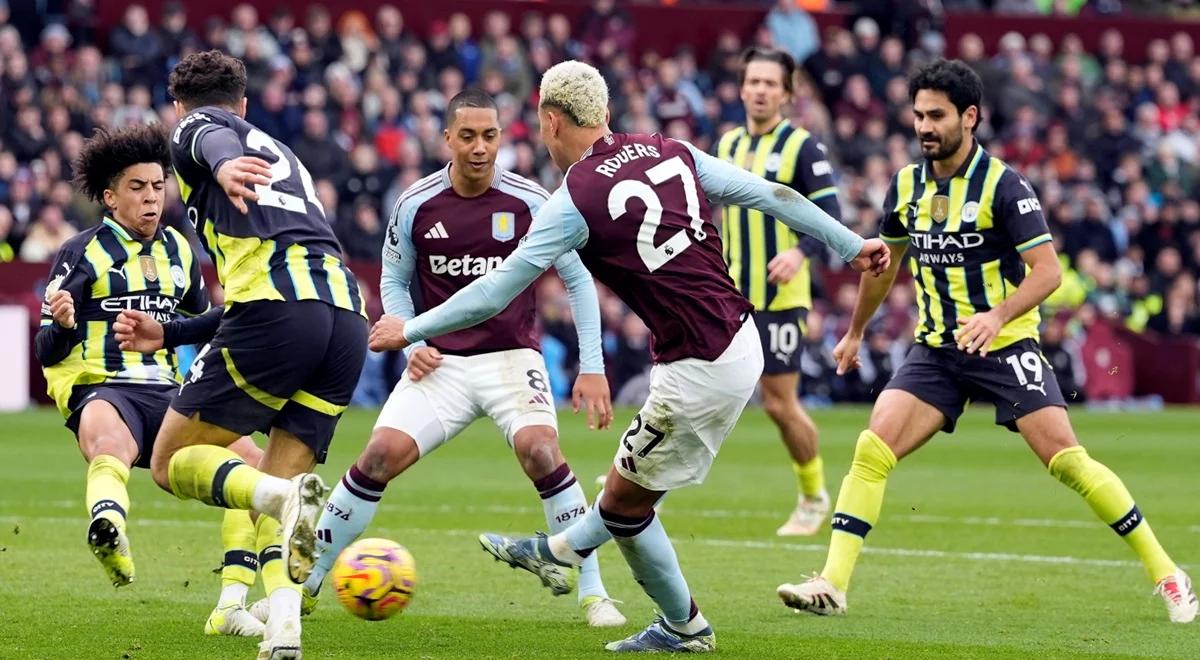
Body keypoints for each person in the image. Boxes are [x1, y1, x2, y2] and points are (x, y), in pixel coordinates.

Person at [370, 60, 889, 653]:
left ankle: (567, 558)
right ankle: (666, 615)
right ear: (607, 114)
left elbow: (493, 291)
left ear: (551, 120)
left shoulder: (573, 202)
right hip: (739, 333)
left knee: (621, 501)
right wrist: (851, 244)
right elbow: (773, 194)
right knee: (627, 498)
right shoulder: (670, 149)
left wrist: (411, 327)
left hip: (700, 364)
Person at [776, 59, 1198, 624]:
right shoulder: (905, 186)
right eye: (918, 115)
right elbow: (883, 266)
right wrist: (855, 331)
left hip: (1005, 346)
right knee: (871, 448)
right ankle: (832, 583)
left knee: (1067, 462)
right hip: (937, 351)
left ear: (969, 117)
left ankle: (1167, 572)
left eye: (937, 116)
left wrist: (997, 316)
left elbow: (1047, 271)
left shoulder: (1005, 185)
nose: (924, 126)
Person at [298, 89, 627, 628]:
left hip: (511, 359)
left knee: (542, 451)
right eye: (468, 136)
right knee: (378, 456)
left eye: (490, 135)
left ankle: (593, 593)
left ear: (503, 137)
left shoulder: (531, 202)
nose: (480, 147)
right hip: (441, 364)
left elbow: (578, 280)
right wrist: (414, 341)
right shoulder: (414, 203)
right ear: (446, 138)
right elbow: (394, 283)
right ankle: (308, 578)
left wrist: (592, 366)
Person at [113, 50, 368, 659]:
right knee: (281, 474)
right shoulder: (289, 158)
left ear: (179, 106)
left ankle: (283, 499)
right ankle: (284, 631)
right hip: (345, 318)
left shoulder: (197, 130)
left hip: (277, 311)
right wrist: (170, 335)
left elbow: (203, 135)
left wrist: (223, 166)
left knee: (170, 461)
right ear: (246, 103)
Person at [34, 124, 266, 637]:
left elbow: (206, 326)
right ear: (111, 197)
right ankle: (109, 528)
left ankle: (233, 602)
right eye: (138, 188)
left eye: (158, 186)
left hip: (167, 390)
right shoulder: (82, 251)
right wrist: (65, 323)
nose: (151, 198)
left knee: (255, 463)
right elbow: (45, 348)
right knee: (108, 440)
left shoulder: (181, 251)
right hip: (101, 384)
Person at [715, 46, 840, 536]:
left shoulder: (803, 148)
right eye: (754, 81)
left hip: (780, 299)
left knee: (778, 403)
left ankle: (813, 495)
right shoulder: (725, 146)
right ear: (742, 88)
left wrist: (799, 253)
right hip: (729, 294)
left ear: (787, 94)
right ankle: (642, 487)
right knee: (695, 386)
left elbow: (831, 218)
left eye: (771, 83)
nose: (761, 90)